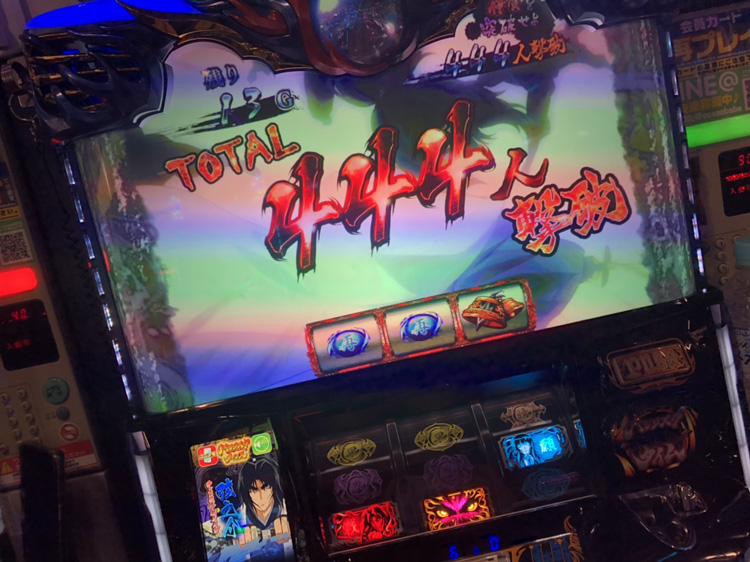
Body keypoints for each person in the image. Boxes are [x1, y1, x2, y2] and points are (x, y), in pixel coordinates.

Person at [236, 457, 290, 546]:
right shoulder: (238, 516)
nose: (261, 496)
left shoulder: (286, 506)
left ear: (274, 487)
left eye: (266, 487)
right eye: (253, 490)